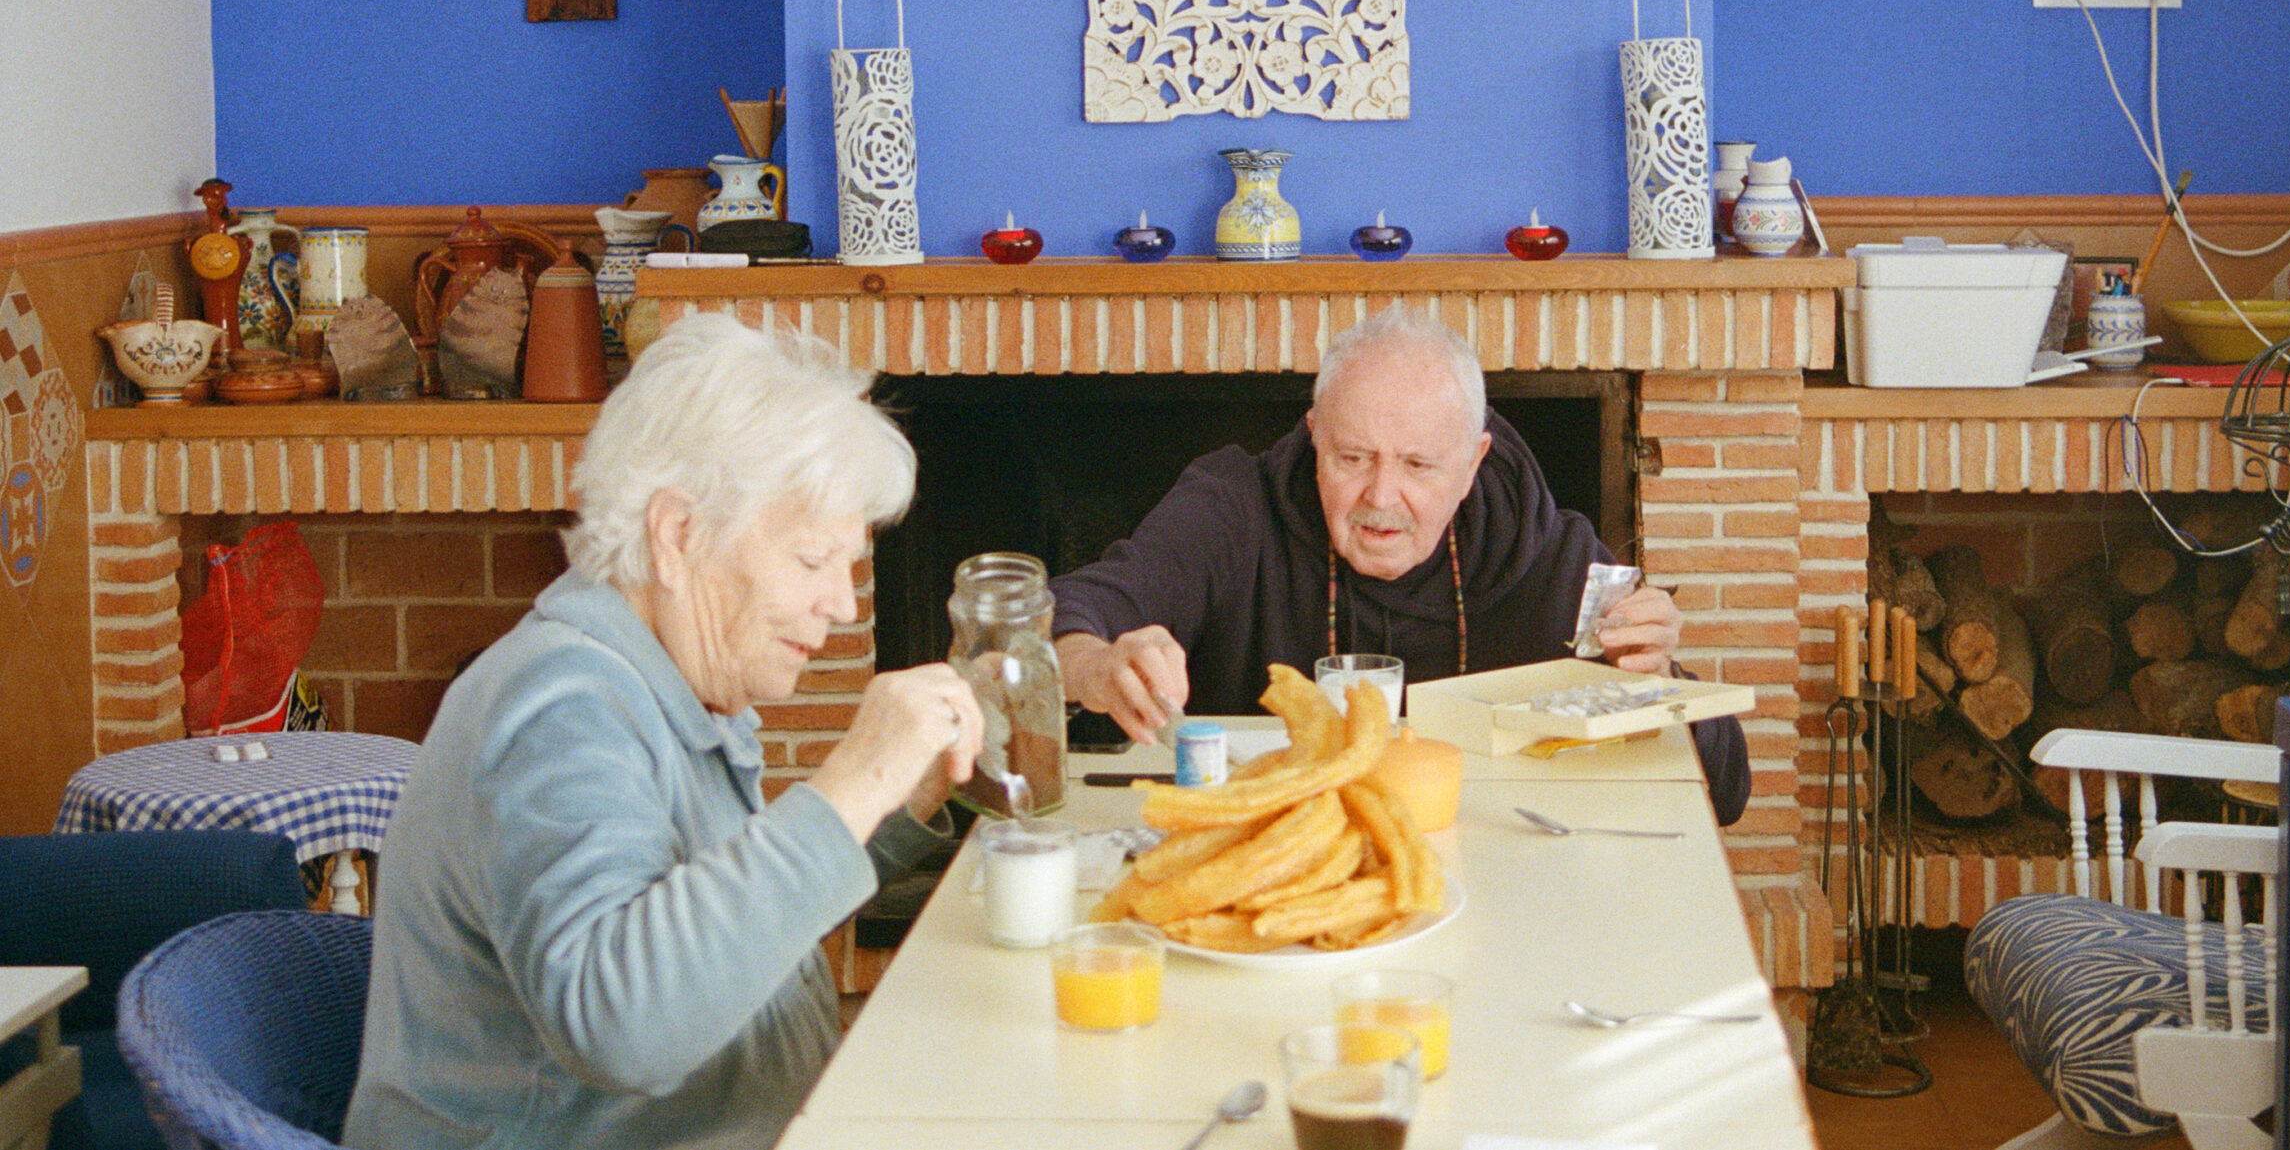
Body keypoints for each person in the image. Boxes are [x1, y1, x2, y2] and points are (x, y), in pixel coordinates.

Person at [345, 315, 983, 1150]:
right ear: (678, 533)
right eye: (811, 560)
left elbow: (719, 929)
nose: (841, 603)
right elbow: (623, 1023)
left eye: (849, 565)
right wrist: (855, 777)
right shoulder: (560, 708)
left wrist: (900, 797)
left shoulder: (659, 684)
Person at [1052, 310, 1751, 826]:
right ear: (1315, 437)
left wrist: (1658, 678)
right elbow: (1059, 622)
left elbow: (1726, 793)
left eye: (1418, 465)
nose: (1381, 497)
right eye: (1353, 458)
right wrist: (1092, 665)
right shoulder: (1232, 509)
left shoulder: (1549, 552)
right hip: (1269, 864)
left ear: (1473, 463)